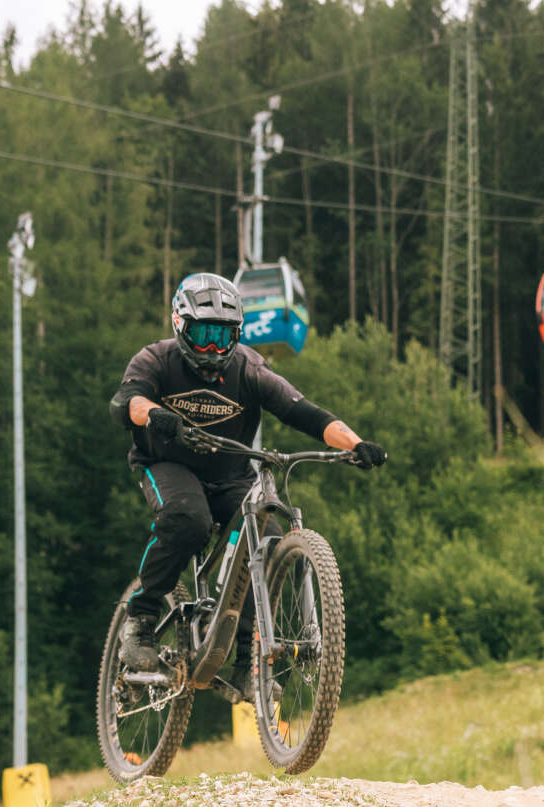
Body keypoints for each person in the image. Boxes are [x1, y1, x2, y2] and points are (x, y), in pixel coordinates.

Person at [108, 272, 386, 701]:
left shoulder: (249, 368)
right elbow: (128, 402)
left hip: (231, 475)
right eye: (203, 335)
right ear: (181, 326)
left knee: (269, 539)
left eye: (225, 337)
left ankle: (244, 663)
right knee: (188, 520)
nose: (215, 349)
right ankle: (140, 618)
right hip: (166, 464)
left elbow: (305, 413)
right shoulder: (155, 360)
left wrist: (356, 444)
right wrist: (154, 415)